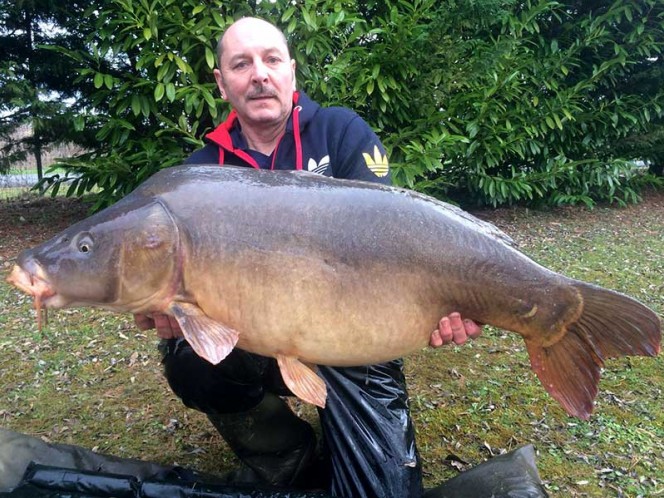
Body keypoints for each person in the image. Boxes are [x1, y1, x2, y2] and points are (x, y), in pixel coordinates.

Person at [135, 17, 482, 498]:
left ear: (291, 71)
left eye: (271, 60)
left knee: (382, 490)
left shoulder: (341, 132)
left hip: (349, 334)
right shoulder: (200, 176)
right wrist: (164, 303)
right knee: (191, 362)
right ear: (221, 82)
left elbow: (391, 235)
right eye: (241, 64)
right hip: (252, 338)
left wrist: (443, 301)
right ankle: (284, 450)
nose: (259, 74)